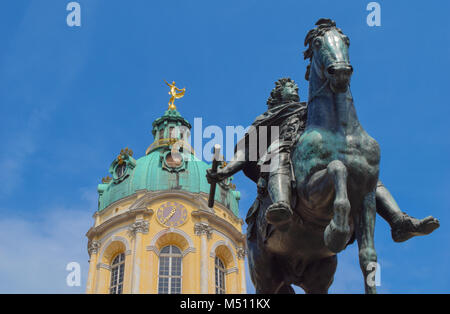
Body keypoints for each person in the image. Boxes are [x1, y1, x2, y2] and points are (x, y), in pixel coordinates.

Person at [206, 78, 439, 241]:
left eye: (295, 85)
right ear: (278, 95)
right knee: (278, 156)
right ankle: (282, 205)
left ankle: (398, 221)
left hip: (315, 157)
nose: (294, 88)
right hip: (283, 155)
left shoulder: (312, 109)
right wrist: (224, 172)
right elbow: (246, 153)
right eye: (289, 87)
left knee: (362, 170)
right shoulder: (270, 117)